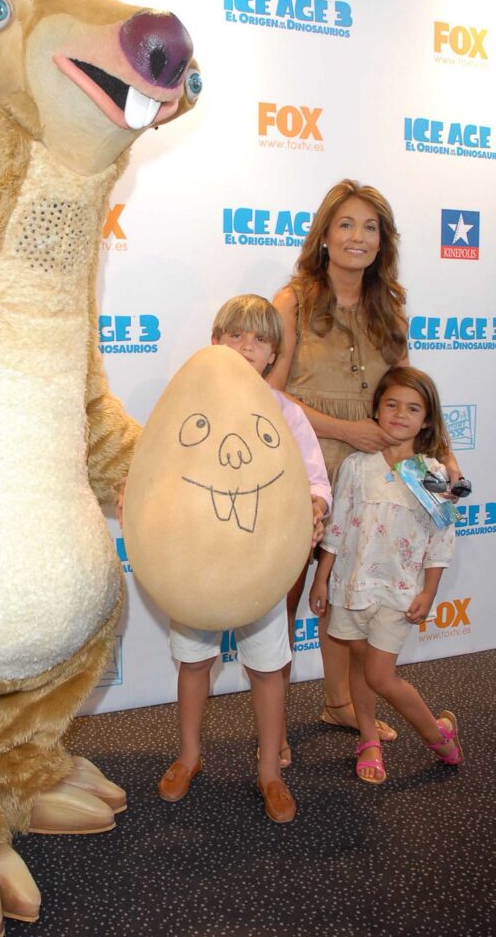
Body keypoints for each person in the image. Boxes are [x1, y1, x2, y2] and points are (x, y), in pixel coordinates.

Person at [271, 178, 464, 742]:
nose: (358, 236)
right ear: (325, 235)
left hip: (372, 480)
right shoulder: (293, 302)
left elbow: (409, 389)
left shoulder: (390, 308)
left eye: (370, 227)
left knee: (347, 600)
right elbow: (272, 395)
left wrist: (443, 453)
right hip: (302, 471)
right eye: (346, 224)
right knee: (284, 604)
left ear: (383, 241)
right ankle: (274, 733)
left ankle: (339, 704)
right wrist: (343, 429)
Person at [157, 295, 332, 823]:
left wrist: (316, 505)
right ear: (215, 342)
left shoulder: (286, 413)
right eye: (235, 335)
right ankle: (188, 756)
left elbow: (315, 479)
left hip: (262, 567)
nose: (246, 346)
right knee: (194, 661)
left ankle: (270, 771)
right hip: (198, 564)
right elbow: (158, 472)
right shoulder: (187, 407)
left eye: (259, 339)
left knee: (268, 668)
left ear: (274, 352)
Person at [308, 366, 463, 782]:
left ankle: (438, 735)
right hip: (351, 587)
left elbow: (440, 540)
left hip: (399, 590)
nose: (400, 414)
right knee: (360, 666)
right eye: (391, 404)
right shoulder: (357, 466)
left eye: (412, 408)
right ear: (376, 409)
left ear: (426, 420)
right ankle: (368, 740)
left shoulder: (433, 474)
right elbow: (337, 527)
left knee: (380, 674)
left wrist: (429, 592)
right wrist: (322, 577)